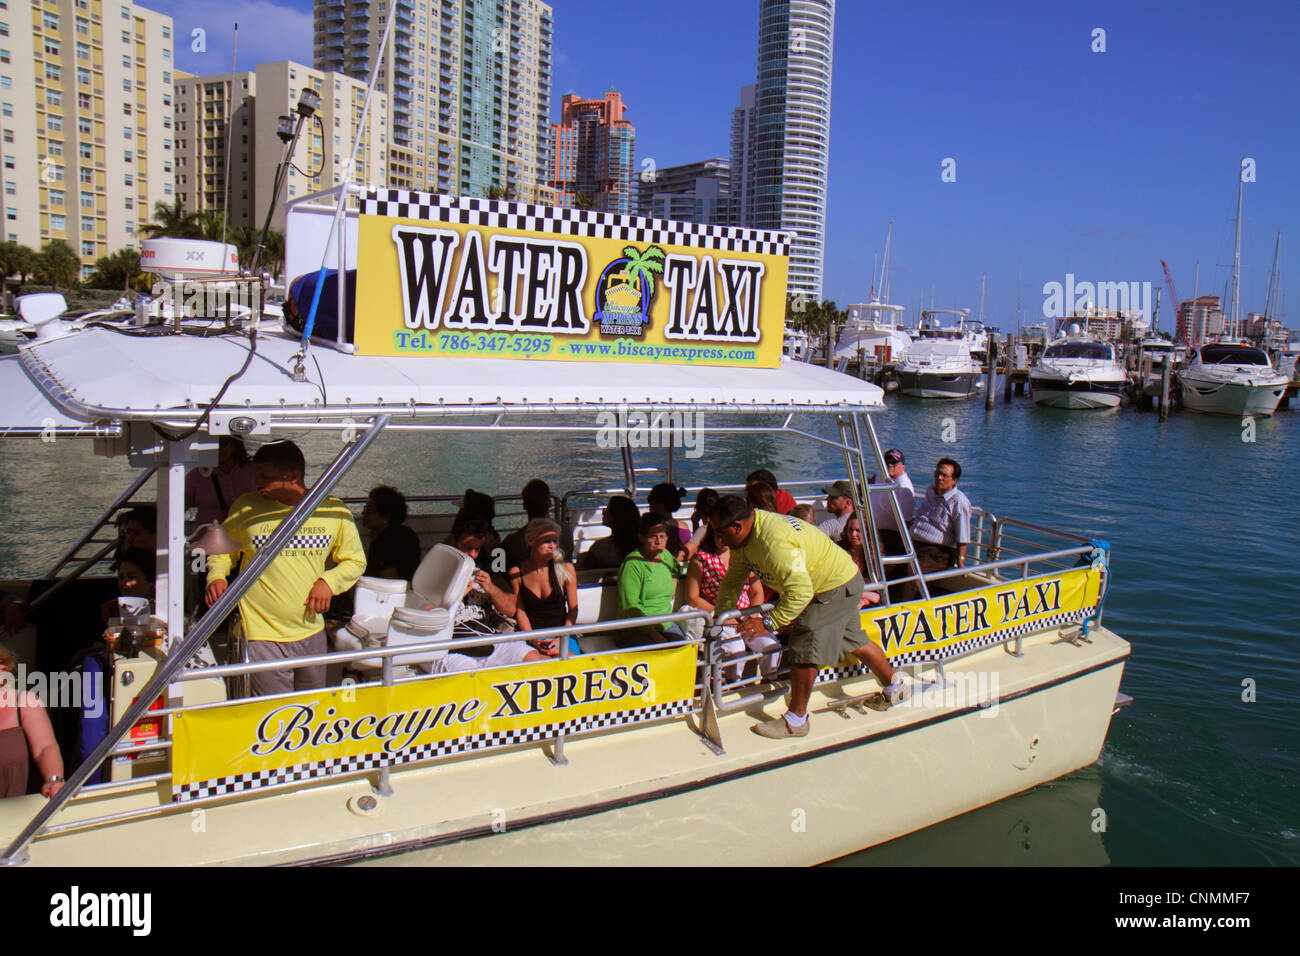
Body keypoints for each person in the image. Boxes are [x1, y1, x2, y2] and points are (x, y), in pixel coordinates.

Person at [709, 495, 909, 739]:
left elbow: (800, 592)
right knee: (854, 640)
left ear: (737, 527)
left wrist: (768, 623)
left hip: (829, 587)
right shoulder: (745, 540)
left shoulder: (774, 542)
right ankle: (895, 688)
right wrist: (720, 615)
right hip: (839, 579)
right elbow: (733, 579)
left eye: (720, 533)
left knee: (804, 644)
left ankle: (796, 720)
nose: (718, 539)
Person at [204, 440, 366, 697]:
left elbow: (355, 561)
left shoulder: (334, 511)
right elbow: (222, 550)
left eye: (264, 477)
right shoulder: (245, 507)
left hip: (312, 631)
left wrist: (328, 582)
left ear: (291, 476)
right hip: (261, 634)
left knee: (310, 708)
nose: (256, 483)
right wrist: (216, 577)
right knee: (274, 713)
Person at [439, 513, 540, 673]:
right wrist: (457, 594)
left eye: (477, 549)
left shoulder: (488, 571)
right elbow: (427, 609)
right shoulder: (438, 571)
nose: (472, 554)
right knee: (468, 673)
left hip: (487, 637)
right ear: (453, 541)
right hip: (451, 642)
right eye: (467, 547)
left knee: (534, 659)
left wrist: (491, 588)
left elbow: (512, 609)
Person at [684, 524, 778, 681]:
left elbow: (757, 592)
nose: (723, 540)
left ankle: (769, 681)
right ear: (712, 536)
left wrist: (754, 614)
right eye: (719, 535)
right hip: (718, 616)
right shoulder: (700, 560)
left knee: (770, 645)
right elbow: (692, 597)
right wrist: (722, 615)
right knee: (735, 649)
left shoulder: (742, 557)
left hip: (746, 614)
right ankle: (731, 685)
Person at [0, 643, 64, 799]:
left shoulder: (24, 701)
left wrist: (54, 780)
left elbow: (45, 747)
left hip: (17, 817)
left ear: (3, 667)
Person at [510, 519, 581, 658]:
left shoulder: (566, 569)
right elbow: (521, 611)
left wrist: (562, 637)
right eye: (546, 541)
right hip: (530, 634)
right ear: (531, 541)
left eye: (555, 541)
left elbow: (573, 608)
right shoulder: (517, 573)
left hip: (562, 633)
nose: (552, 546)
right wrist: (533, 639)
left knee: (568, 658)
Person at [616, 513, 688, 646]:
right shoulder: (633, 564)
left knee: (686, 650)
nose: (659, 542)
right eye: (653, 537)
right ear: (641, 537)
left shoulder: (665, 556)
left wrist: (674, 580)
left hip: (666, 624)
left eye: (662, 537)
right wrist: (654, 635)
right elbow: (630, 606)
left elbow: (676, 567)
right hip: (635, 629)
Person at [907, 456, 972, 596]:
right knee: (889, 564)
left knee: (912, 575)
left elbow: (963, 535)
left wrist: (961, 561)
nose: (939, 478)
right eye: (937, 474)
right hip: (915, 545)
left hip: (938, 553)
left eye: (944, 475)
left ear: (954, 480)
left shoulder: (959, 502)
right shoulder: (931, 491)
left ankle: (900, 611)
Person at [501, 479, 574, 571]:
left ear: (524, 505)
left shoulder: (512, 541)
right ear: (549, 503)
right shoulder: (567, 530)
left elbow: (499, 569)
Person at [186, 436, 257, 527]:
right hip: (207, 538)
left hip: (245, 537)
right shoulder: (197, 475)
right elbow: (179, 508)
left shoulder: (254, 471)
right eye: (213, 444)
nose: (218, 448)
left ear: (235, 444)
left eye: (223, 443)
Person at [361, 485, 422, 581]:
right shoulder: (407, 533)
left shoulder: (384, 543)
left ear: (386, 517)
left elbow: (388, 580)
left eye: (369, 510)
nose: (363, 513)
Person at [578, 495, 640, 570]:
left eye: (606, 510)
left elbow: (585, 567)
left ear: (614, 516)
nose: (603, 514)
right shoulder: (640, 545)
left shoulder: (601, 547)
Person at [100, 548, 156, 623]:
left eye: (132, 577)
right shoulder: (111, 609)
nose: (125, 583)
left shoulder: (167, 607)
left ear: (151, 580)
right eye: (121, 578)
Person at [838, 518, 883, 610]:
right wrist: (863, 594)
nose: (853, 534)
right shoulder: (839, 551)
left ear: (868, 532)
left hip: (866, 600)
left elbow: (878, 594)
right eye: (850, 530)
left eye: (858, 531)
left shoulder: (874, 555)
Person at [647, 483, 691, 548]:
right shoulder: (684, 527)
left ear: (661, 504)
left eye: (650, 500)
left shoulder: (651, 527)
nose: (649, 504)